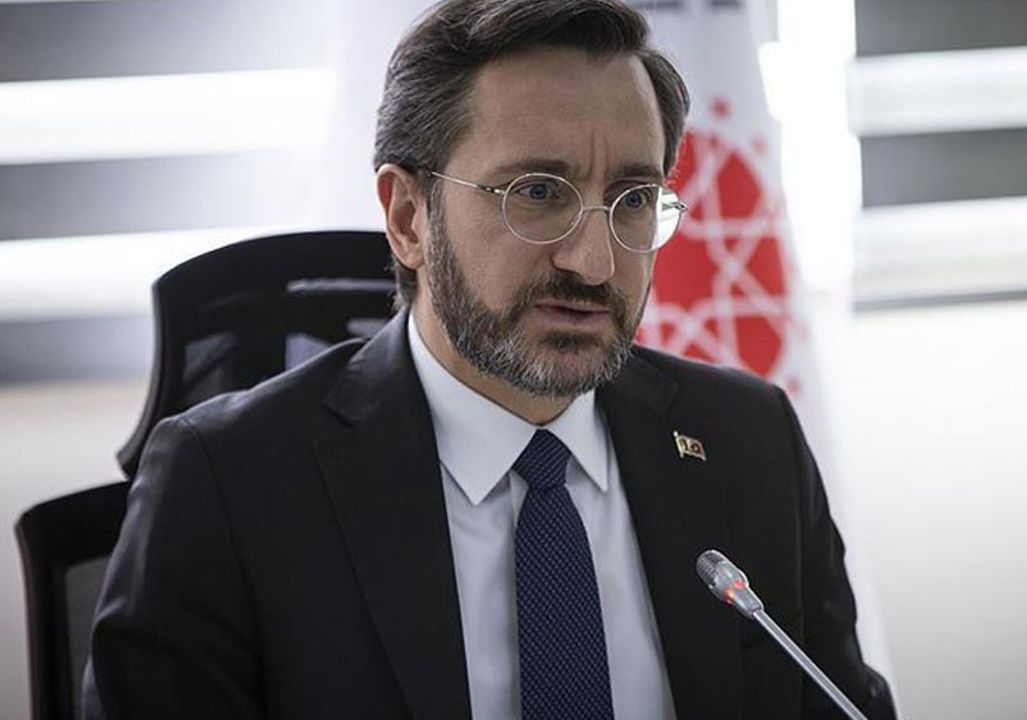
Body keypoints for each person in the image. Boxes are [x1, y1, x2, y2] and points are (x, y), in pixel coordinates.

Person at [83, 0, 896, 718]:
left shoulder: (750, 442)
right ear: (409, 218)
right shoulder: (229, 487)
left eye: (633, 200)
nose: (595, 262)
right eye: (538, 192)